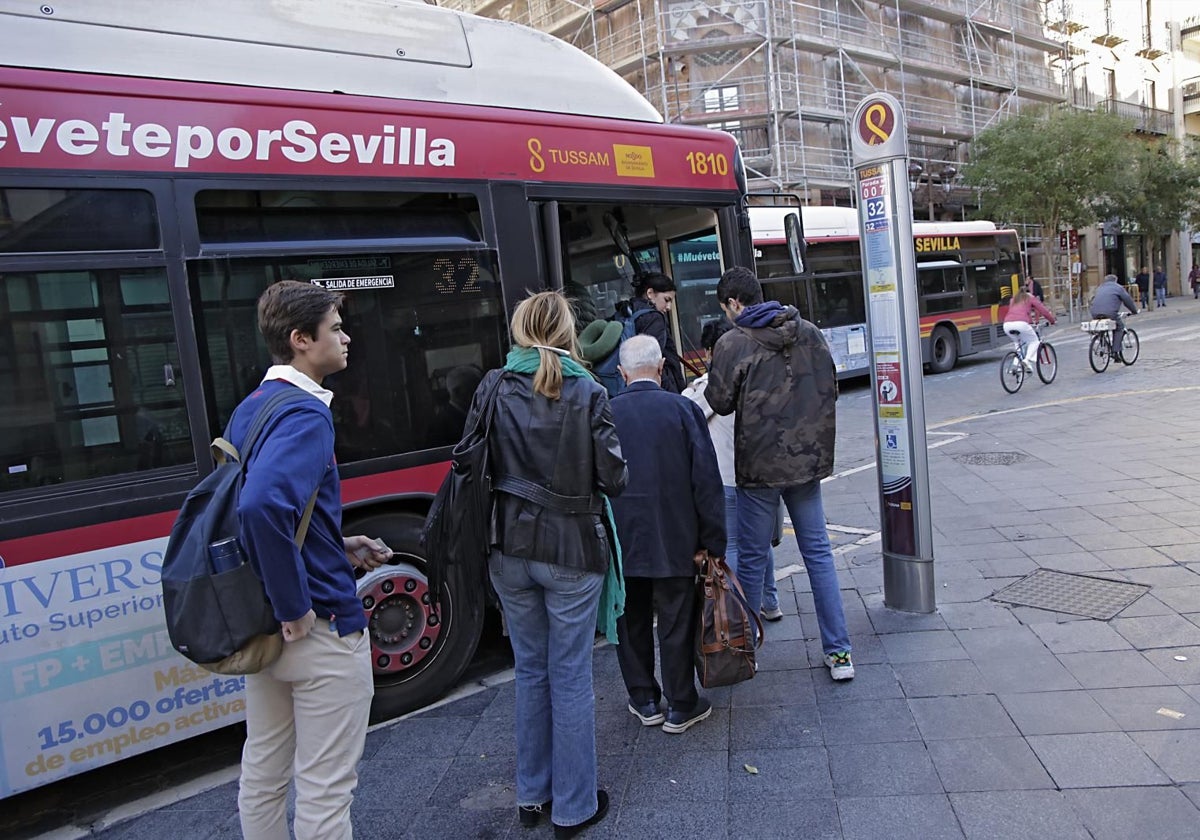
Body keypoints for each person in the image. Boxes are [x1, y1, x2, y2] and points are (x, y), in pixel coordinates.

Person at [234, 280, 392, 840]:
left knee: (264, 772)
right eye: (336, 328)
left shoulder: (254, 406)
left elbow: (266, 511)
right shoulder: (306, 415)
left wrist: (338, 544)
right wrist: (295, 605)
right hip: (319, 627)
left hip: (268, 631)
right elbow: (260, 508)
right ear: (301, 340)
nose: (347, 338)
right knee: (326, 792)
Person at [473, 291, 627, 838]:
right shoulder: (587, 390)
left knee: (530, 673)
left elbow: (473, 467)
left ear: (518, 332)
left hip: (506, 550)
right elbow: (615, 478)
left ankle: (532, 797)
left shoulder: (491, 387)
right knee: (570, 676)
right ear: (566, 334)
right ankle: (574, 807)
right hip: (571, 552)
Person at [705, 266, 855, 682]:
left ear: (734, 303)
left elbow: (719, 400)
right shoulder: (808, 330)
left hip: (759, 465)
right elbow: (832, 386)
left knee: (751, 560)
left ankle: (744, 648)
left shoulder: (734, 342)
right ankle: (839, 652)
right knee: (819, 554)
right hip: (807, 461)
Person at [609, 335, 725, 734]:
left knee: (631, 619)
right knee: (677, 620)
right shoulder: (682, 409)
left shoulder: (605, 413)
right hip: (676, 536)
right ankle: (680, 703)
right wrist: (714, 541)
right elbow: (706, 482)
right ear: (660, 368)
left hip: (623, 539)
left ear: (622, 373)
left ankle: (644, 699)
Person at [682, 319, 784, 621]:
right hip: (761, 475)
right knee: (762, 542)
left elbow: (689, 412)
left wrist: (694, 387)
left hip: (727, 478)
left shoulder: (710, 386)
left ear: (712, 351)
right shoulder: (758, 376)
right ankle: (771, 601)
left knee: (736, 547)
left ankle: (740, 613)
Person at [625, 272, 686, 394]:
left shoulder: (628, 311)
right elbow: (653, 364)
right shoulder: (654, 318)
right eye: (666, 300)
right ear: (650, 294)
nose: (669, 307)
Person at [1002, 289, 1056, 372]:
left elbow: (1016, 312)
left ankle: (1016, 365)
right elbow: (1043, 310)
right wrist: (1052, 320)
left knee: (1018, 343)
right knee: (1034, 341)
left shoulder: (1013, 300)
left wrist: (1030, 321)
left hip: (1007, 324)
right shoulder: (1029, 297)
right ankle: (1027, 360)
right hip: (1021, 323)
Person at [1090, 273, 1138, 360]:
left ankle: (1101, 339)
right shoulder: (1118, 288)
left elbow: (1093, 299)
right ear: (1115, 280)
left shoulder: (1099, 288)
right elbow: (1127, 300)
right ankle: (1115, 351)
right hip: (1110, 313)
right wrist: (1134, 311)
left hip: (1094, 313)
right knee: (1119, 327)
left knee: (1103, 328)